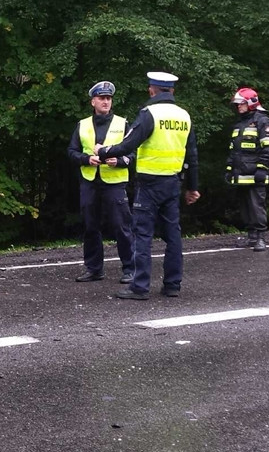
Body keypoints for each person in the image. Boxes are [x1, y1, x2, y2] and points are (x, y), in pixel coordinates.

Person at [94, 71, 200, 300]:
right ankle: (172, 285)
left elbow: (127, 144)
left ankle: (140, 286)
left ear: (152, 90)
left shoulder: (149, 113)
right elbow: (192, 154)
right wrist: (193, 187)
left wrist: (103, 151)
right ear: (172, 90)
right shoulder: (184, 116)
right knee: (173, 235)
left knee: (143, 234)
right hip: (173, 182)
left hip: (149, 183)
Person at [66, 81, 135, 284]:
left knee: (121, 226)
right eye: (101, 98)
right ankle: (94, 269)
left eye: (108, 98)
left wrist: (119, 161)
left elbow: (133, 153)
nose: (106, 101)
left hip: (115, 182)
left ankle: (130, 269)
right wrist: (86, 159)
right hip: (90, 181)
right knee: (90, 226)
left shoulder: (122, 123)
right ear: (93, 102)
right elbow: (71, 151)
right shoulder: (83, 125)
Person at [225, 86, 269, 252]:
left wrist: (262, 169)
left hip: (256, 174)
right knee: (245, 206)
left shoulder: (263, 122)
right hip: (240, 174)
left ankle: (261, 238)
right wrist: (229, 169)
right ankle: (252, 236)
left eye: (241, 103)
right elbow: (234, 150)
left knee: (256, 206)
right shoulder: (240, 124)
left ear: (251, 103)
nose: (238, 106)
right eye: (237, 104)